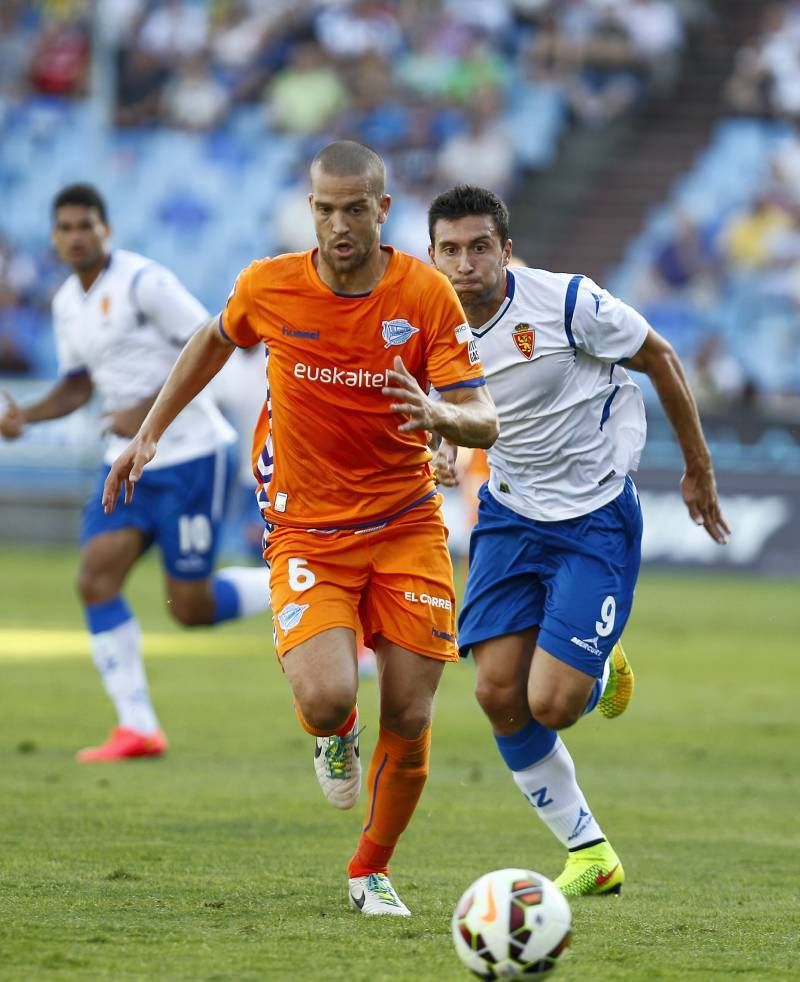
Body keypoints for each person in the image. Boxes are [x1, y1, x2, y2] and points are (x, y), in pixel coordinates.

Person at [102, 142, 499, 915]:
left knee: (413, 714)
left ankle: (369, 872)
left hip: (406, 523)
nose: (339, 224)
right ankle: (334, 733)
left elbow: (480, 413)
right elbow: (214, 340)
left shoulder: (424, 295)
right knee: (324, 697)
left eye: (356, 209)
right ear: (309, 208)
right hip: (308, 530)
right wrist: (150, 431)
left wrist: (442, 418)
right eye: (325, 208)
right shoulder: (270, 285)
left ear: (383, 212)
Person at [427, 185, 729, 897]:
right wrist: (440, 443)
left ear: (506, 249)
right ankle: (591, 853)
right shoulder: (427, 320)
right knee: (499, 694)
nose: (465, 263)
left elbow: (659, 356)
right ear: (431, 255)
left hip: (594, 517)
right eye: (450, 250)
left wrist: (698, 466)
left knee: (553, 703)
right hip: (507, 514)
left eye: (479, 247)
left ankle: (597, 661)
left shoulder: (568, 303)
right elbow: (448, 398)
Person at [0, 184, 270, 763]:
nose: (76, 236)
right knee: (95, 578)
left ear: (107, 229)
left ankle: (298, 587)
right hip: (126, 464)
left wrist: (146, 410)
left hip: (191, 456)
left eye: (86, 225)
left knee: (191, 607)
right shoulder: (67, 303)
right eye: (66, 227)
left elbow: (216, 345)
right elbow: (77, 385)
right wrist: (27, 415)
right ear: (54, 238)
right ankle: (137, 726)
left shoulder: (146, 283)